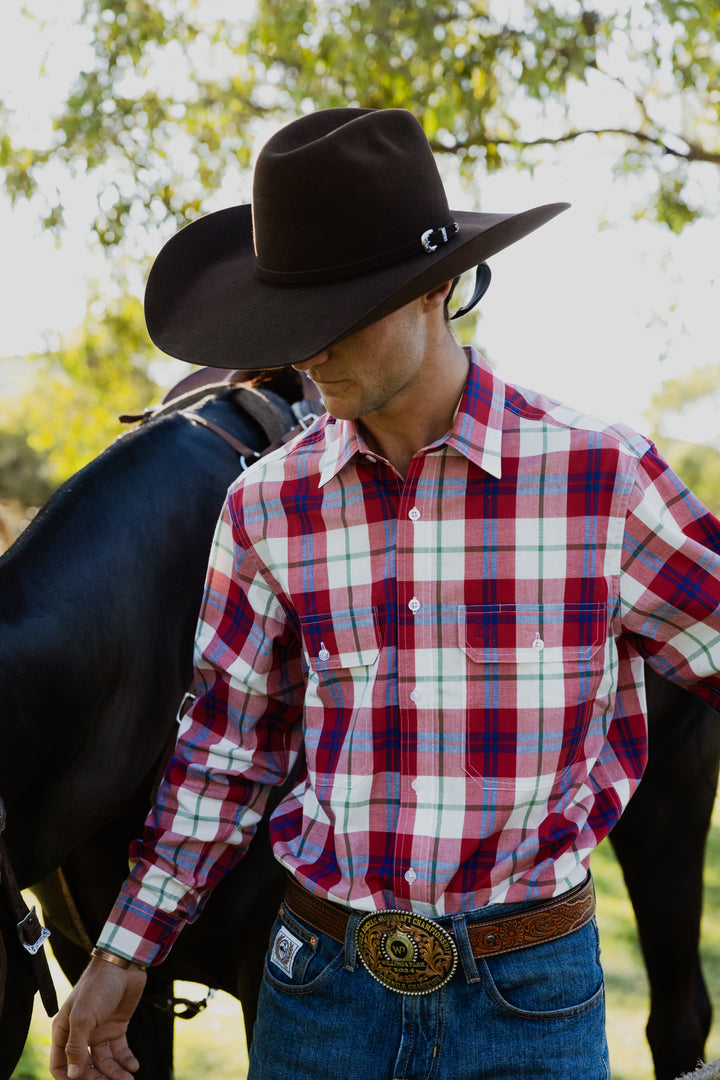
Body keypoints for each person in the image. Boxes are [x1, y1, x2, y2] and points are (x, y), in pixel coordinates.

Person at [50, 107, 720, 1080]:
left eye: (338, 312)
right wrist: (123, 952)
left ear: (435, 287)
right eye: (289, 319)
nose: (307, 350)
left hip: (530, 1005)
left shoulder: (601, 481)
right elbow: (228, 750)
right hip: (319, 999)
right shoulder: (267, 506)